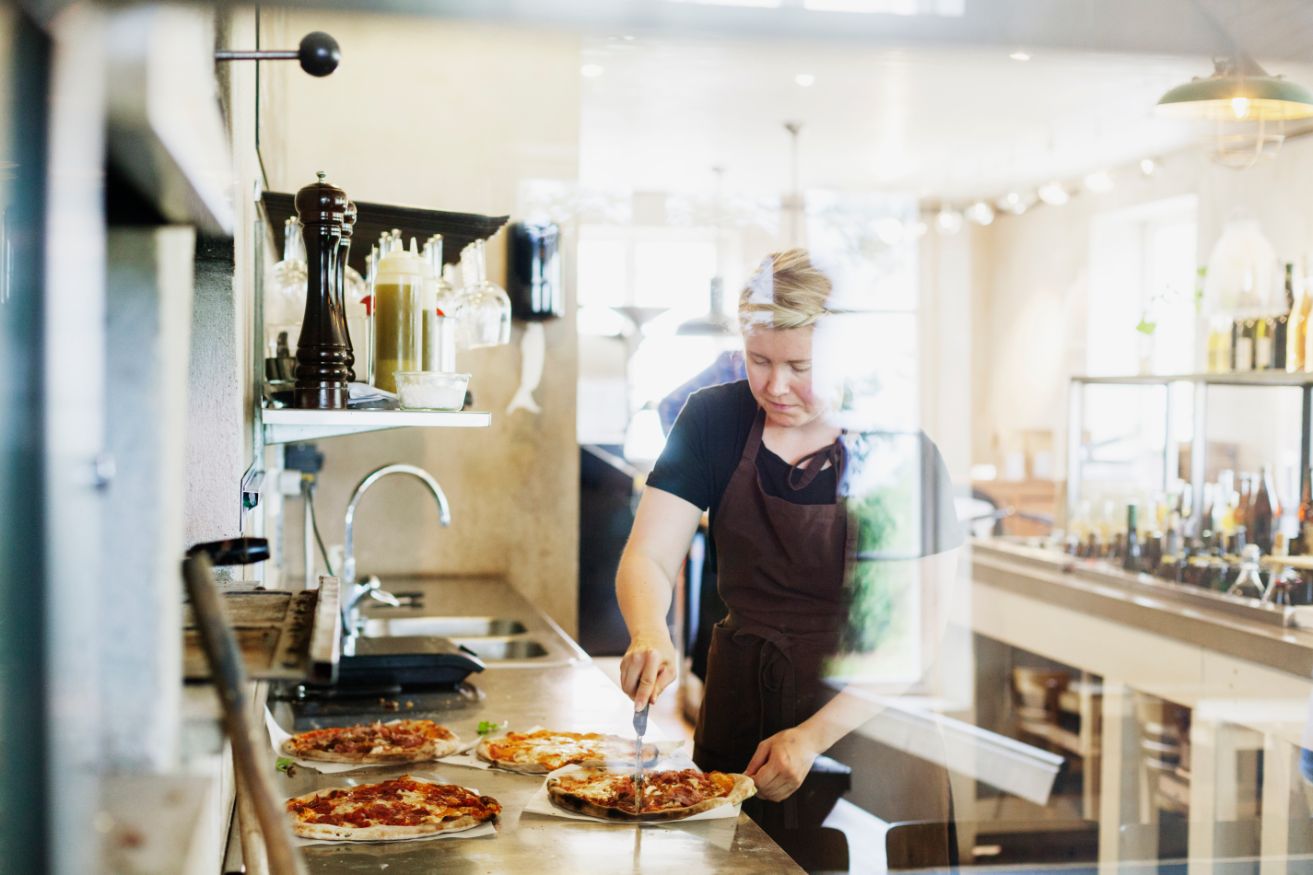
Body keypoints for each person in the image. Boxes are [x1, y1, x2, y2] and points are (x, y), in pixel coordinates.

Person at [615, 248, 962, 852]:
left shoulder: (899, 449)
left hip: (868, 734)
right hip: (741, 710)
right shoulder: (712, 421)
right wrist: (649, 631)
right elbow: (647, 555)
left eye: (801, 366)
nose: (775, 386)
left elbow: (913, 634)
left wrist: (812, 736)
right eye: (758, 360)